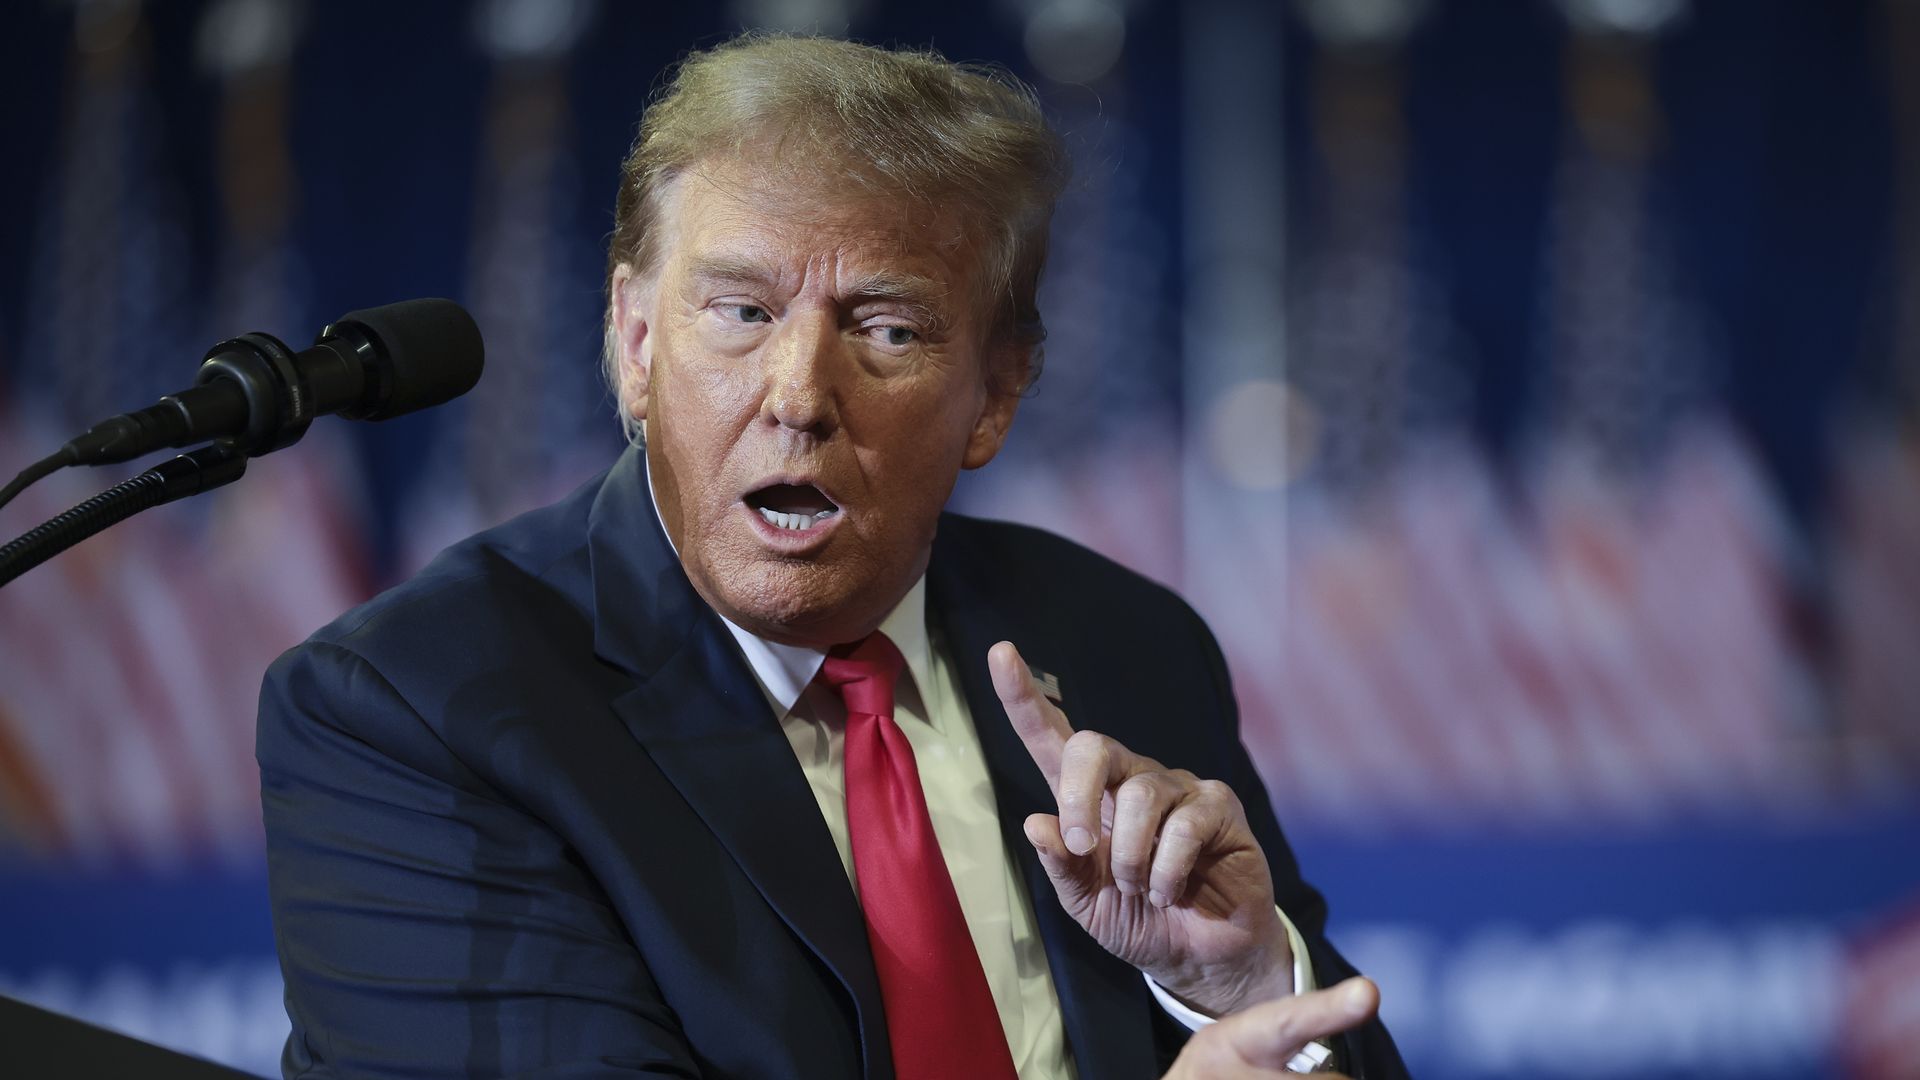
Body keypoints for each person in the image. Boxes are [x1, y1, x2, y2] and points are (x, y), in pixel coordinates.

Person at [257, 33, 1407, 1080]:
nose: (799, 397)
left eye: (887, 329)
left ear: (995, 396)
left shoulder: (1122, 644)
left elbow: (1308, 1044)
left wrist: (1242, 988)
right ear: (637, 341)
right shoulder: (424, 710)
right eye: (742, 312)